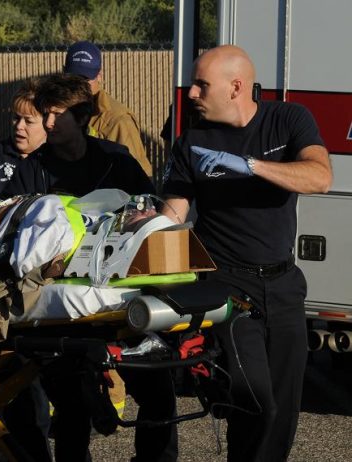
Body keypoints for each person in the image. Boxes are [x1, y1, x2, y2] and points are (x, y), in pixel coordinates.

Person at [161, 45, 332, 462]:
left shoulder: (288, 119)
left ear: (236, 87)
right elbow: (172, 212)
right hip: (227, 287)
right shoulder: (192, 141)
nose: (192, 93)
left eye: (202, 84)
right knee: (254, 401)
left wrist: (251, 166)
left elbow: (321, 177)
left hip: (284, 284)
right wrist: (139, 221)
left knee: (285, 409)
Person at [33, 73, 176, 462]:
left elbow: (150, 212)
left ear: (82, 117)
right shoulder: (34, 168)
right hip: (62, 305)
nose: (47, 123)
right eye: (43, 114)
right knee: (71, 406)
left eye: (56, 114)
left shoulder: (116, 160)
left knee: (158, 394)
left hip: (118, 298)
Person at [63, 40, 153, 177]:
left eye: (86, 79)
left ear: (99, 76)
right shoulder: (52, 113)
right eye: (74, 78)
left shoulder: (118, 120)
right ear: (64, 73)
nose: (79, 85)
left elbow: (139, 176)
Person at [0, 78, 47, 199]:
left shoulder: (57, 159)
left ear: (47, 123)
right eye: (16, 118)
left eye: (28, 121)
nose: (19, 126)